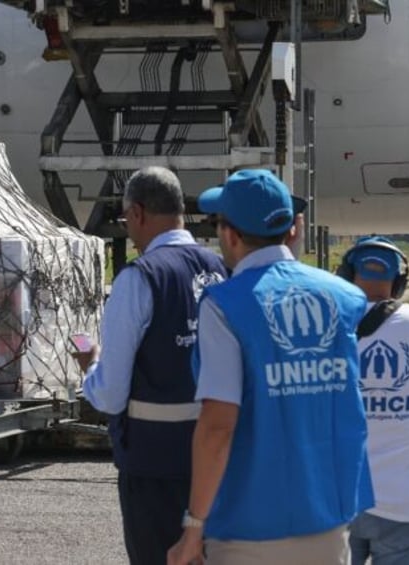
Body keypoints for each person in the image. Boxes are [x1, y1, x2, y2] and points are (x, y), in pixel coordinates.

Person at [168, 169, 374, 565]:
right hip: (328, 518)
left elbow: (217, 425)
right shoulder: (346, 298)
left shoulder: (225, 305)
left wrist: (193, 526)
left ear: (229, 235)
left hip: (250, 525)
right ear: (293, 230)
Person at [74, 167, 227, 564]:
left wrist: (90, 367)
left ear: (138, 214)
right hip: (216, 461)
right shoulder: (219, 268)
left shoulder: (140, 278)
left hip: (156, 464)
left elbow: (110, 395)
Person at [337, 236, 409, 565]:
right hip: (408, 504)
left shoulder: (328, 324)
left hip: (339, 500)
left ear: (345, 273)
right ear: (399, 283)